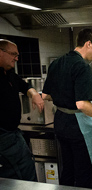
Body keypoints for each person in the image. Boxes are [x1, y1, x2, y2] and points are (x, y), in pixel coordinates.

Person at [42, 29, 92, 189]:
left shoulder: (56, 63)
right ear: (88, 44)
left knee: (68, 169)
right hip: (77, 126)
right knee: (84, 172)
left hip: (60, 122)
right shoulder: (82, 66)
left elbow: (46, 95)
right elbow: (82, 105)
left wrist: (64, 97)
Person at [0, 39, 44, 181]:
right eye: (13, 54)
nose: (17, 58)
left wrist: (34, 94)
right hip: (3, 137)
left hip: (13, 133)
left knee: (27, 171)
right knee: (18, 176)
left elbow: (24, 86)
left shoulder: (9, 73)